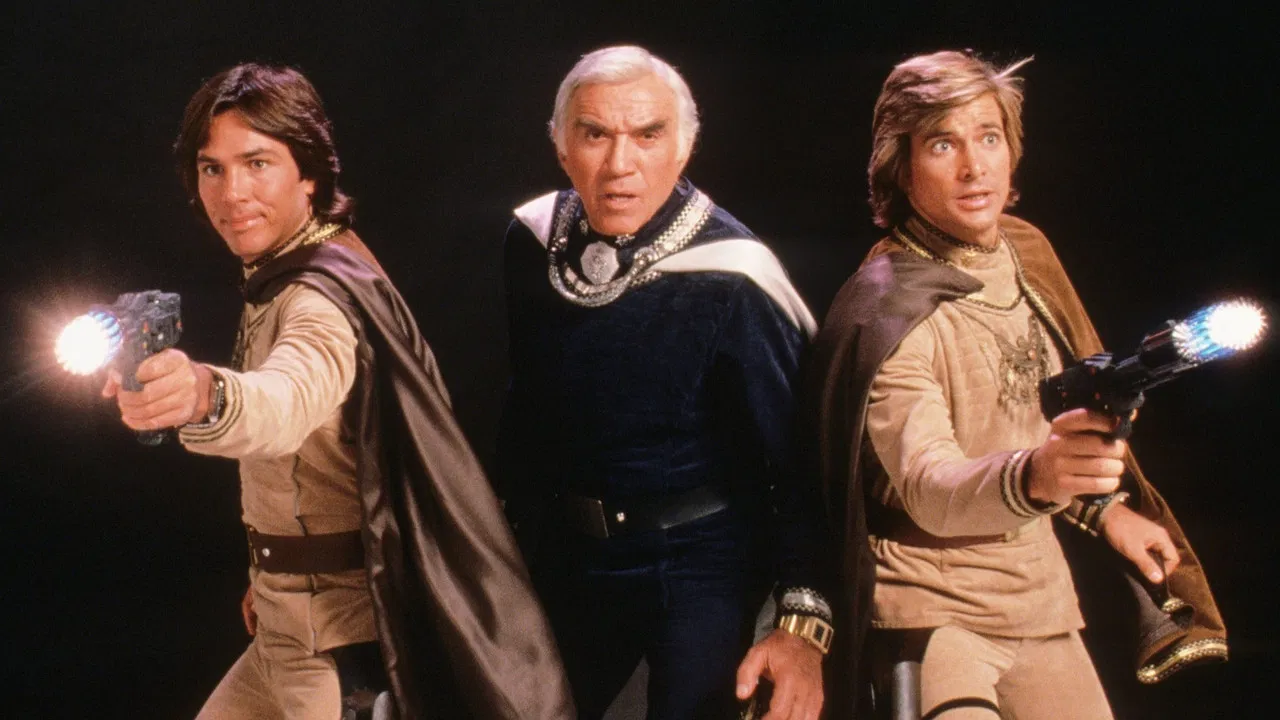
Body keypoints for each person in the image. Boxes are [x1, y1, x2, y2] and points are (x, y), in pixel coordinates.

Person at [103, 62, 573, 720]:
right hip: (284, 625)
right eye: (212, 168)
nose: (232, 193)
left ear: (310, 173)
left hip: (337, 651)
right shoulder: (292, 268)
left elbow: (287, 401)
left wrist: (203, 394)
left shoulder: (318, 300)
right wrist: (273, 573)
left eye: (257, 163)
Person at [807, 50, 1228, 719]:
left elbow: (1049, 419)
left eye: (989, 137)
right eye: (943, 144)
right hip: (929, 608)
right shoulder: (887, 308)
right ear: (901, 165)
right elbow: (929, 486)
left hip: (1038, 598)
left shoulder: (1025, 252)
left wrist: (1101, 509)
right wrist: (1038, 475)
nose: (974, 168)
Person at [499, 45, 833, 719]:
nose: (619, 164)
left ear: (683, 148)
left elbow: (799, 461)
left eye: (648, 136)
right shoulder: (531, 243)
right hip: (573, 550)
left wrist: (804, 623)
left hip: (700, 561)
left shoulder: (735, 276)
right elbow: (527, 414)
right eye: (595, 135)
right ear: (561, 145)